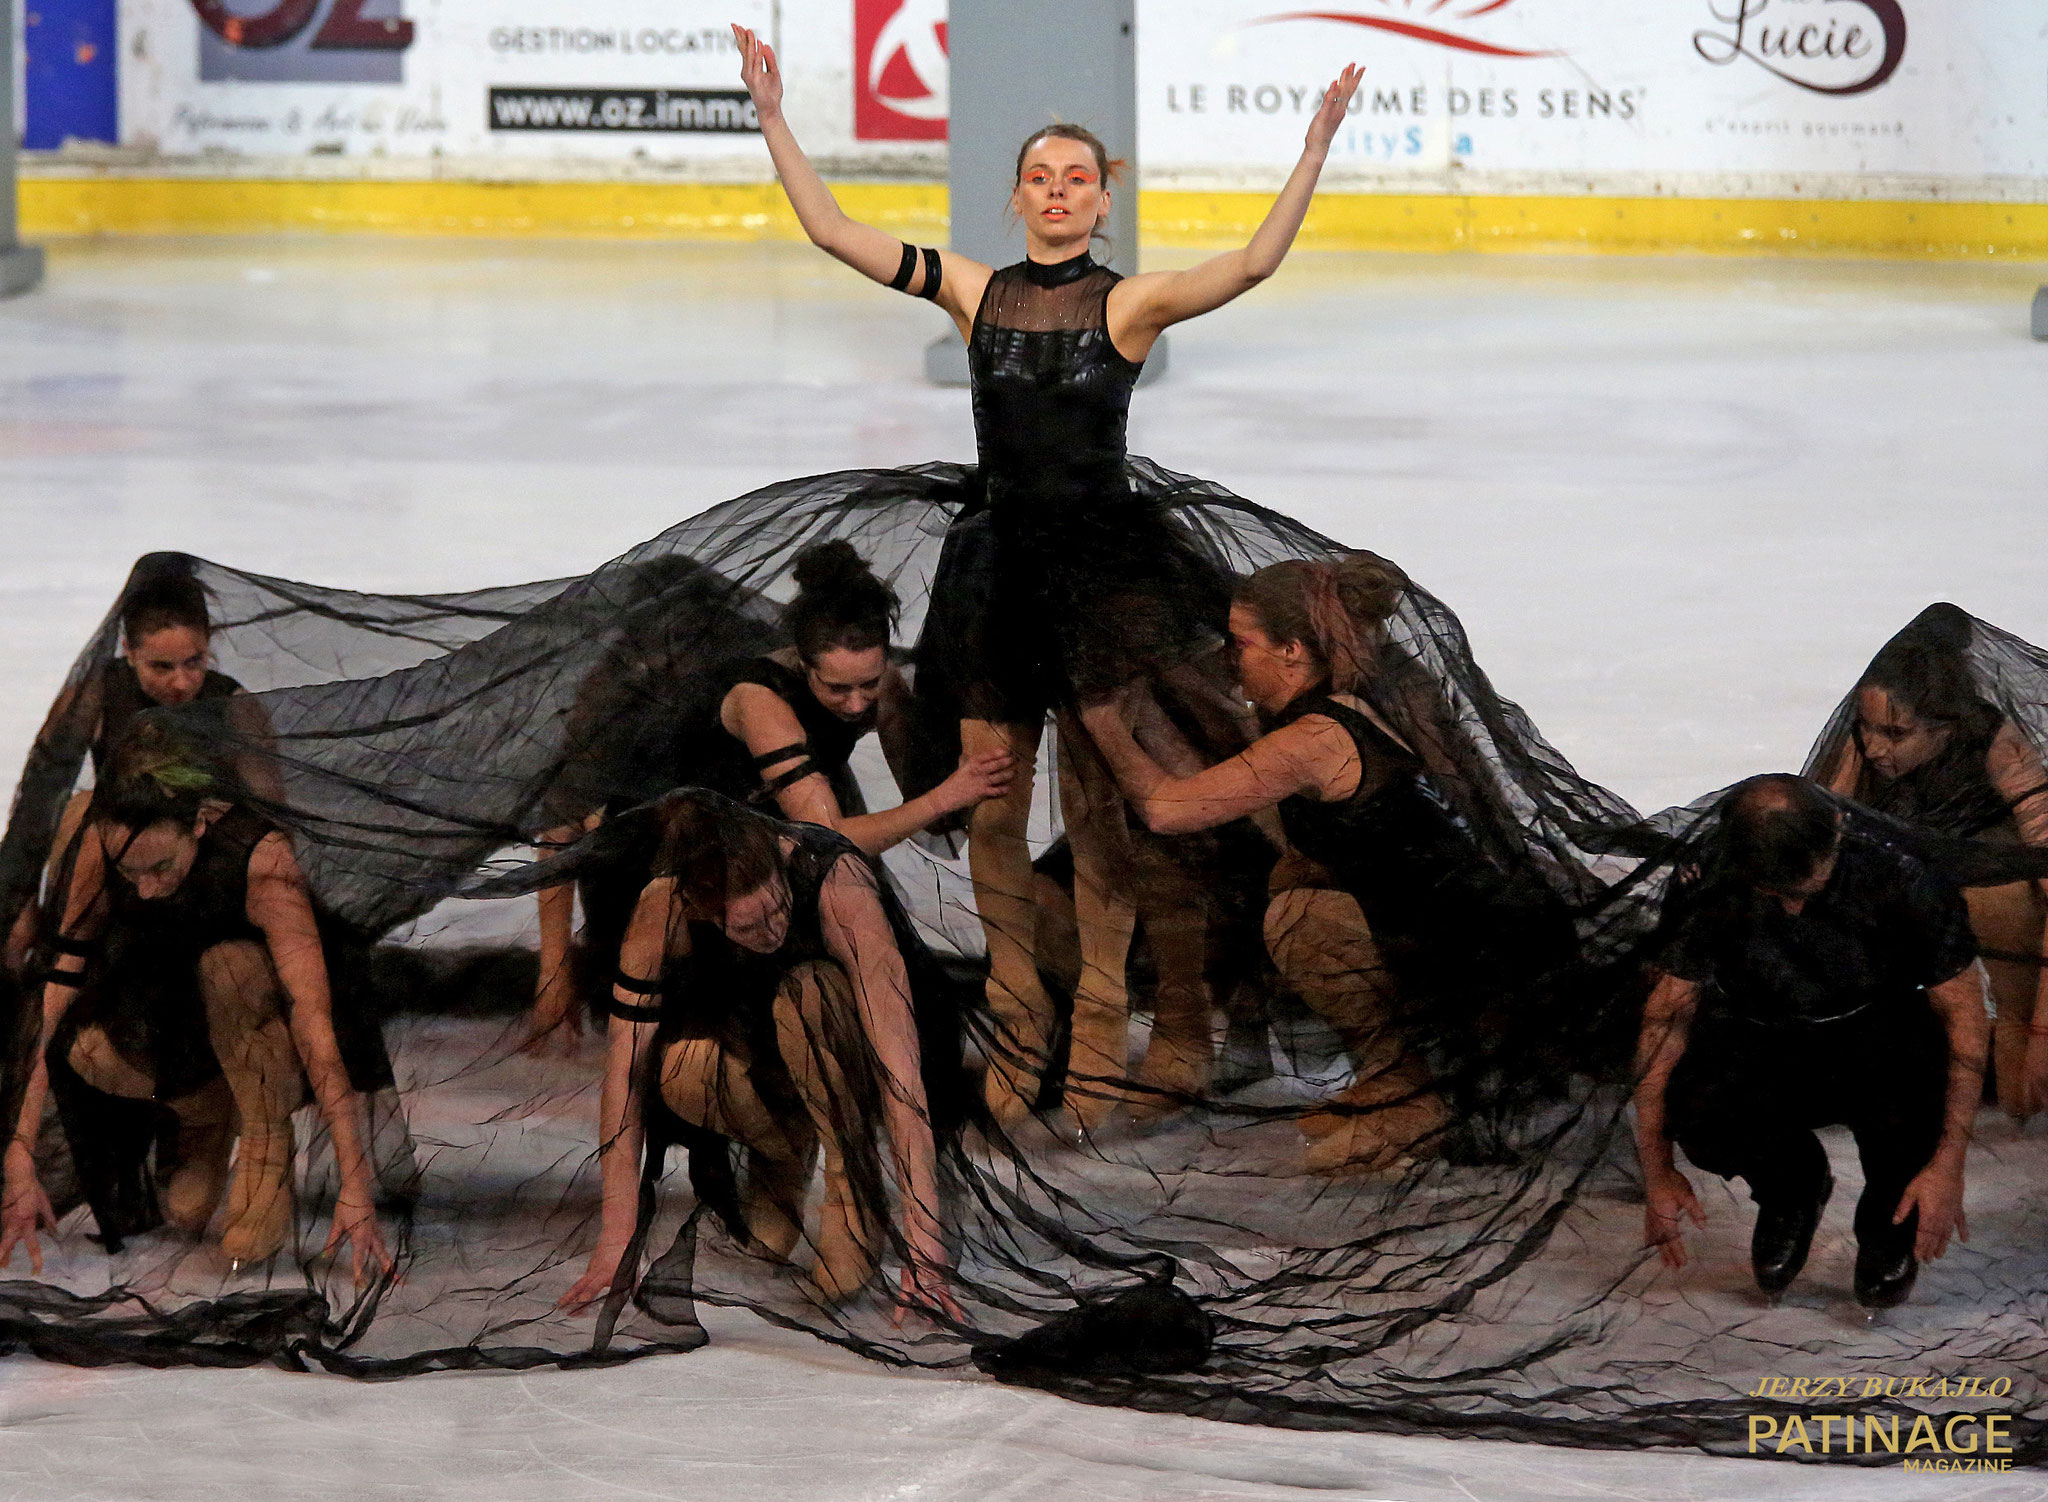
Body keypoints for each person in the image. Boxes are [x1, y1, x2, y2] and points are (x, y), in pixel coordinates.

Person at [731, 24, 1364, 1130]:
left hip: (1102, 591)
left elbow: (1252, 264)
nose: (1058, 190)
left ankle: (1102, 1043)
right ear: (1015, 196)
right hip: (996, 585)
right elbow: (832, 231)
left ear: (1101, 200)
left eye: (1077, 177)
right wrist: (773, 113)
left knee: (1107, 825)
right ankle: (1021, 1031)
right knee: (988, 822)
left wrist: (1310, 149)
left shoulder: (1126, 303)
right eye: (1040, 176)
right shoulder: (973, 293)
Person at [1083, 553, 1574, 1169]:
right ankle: (1400, 1076)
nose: (1228, 660)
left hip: (1473, 955)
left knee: (1300, 920)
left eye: (1241, 644)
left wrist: (1099, 718)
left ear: (1292, 651)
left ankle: (1427, 1094)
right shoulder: (1355, 692)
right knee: (1296, 885)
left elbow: (1167, 807)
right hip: (1467, 923)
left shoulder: (1317, 737)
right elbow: (1220, 786)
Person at [524, 541, 1014, 1050]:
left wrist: (955, 772)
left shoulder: (877, 683)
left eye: (866, 684)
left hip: (767, 838)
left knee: (894, 995)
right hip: (674, 857)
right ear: (803, 663)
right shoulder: (757, 700)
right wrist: (554, 969)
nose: (855, 704)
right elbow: (832, 837)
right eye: (836, 690)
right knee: (715, 1034)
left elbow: (923, 806)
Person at [490, 790, 957, 1317]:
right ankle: (782, 1152)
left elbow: (900, 1071)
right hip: (763, 1050)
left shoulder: (838, 885)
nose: (774, 930)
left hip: (854, 1051)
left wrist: (924, 1242)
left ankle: (851, 1177)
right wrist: (617, 1237)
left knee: (811, 992)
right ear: (702, 910)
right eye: (748, 928)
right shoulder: (661, 911)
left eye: (777, 909)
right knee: (679, 1071)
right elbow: (623, 1078)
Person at [0, 726, 395, 1281]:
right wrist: (20, 1149)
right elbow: (56, 989)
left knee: (230, 965)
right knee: (89, 1053)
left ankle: (263, 1129)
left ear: (201, 823)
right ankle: (204, 1113)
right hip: (164, 1011)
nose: (145, 890)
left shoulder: (262, 863)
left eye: (161, 868)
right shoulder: (104, 838)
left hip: (259, 1024)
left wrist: (355, 1185)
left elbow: (314, 1023)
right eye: (129, 872)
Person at [1633, 774, 1989, 1310]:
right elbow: (1666, 1015)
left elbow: (1964, 1011)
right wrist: (1657, 1170)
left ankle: (1888, 1219)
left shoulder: (1904, 870)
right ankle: (1793, 1188)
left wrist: (1948, 1164)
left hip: (1878, 1031)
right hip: (1761, 1028)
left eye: (1807, 887)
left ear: (1838, 832)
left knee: (1917, 1097)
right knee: (1699, 1106)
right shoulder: (1710, 873)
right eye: (1775, 895)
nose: (1793, 910)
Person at [1804, 603, 2048, 1119]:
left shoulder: (1998, 743)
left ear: (1945, 727)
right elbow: (1819, 834)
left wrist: (2044, 1029)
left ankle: (2014, 1091)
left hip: (1994, 899)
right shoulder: (1861, 748)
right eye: (1866, 728)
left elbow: (2045, 856)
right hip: (1912, 904)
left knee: (2001, 907)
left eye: (1895, 734)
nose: (1875, 748)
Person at [3, 563, 274, 973]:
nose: (182, 683)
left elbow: (270, 817)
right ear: (128, 650)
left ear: (210, 645)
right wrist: (18, 901)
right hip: (114, 877)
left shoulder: (233, 707)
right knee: (80, 809)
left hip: (202, 879)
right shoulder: (95, 696)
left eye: (194, 662)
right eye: (161, 667)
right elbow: (37, 808)